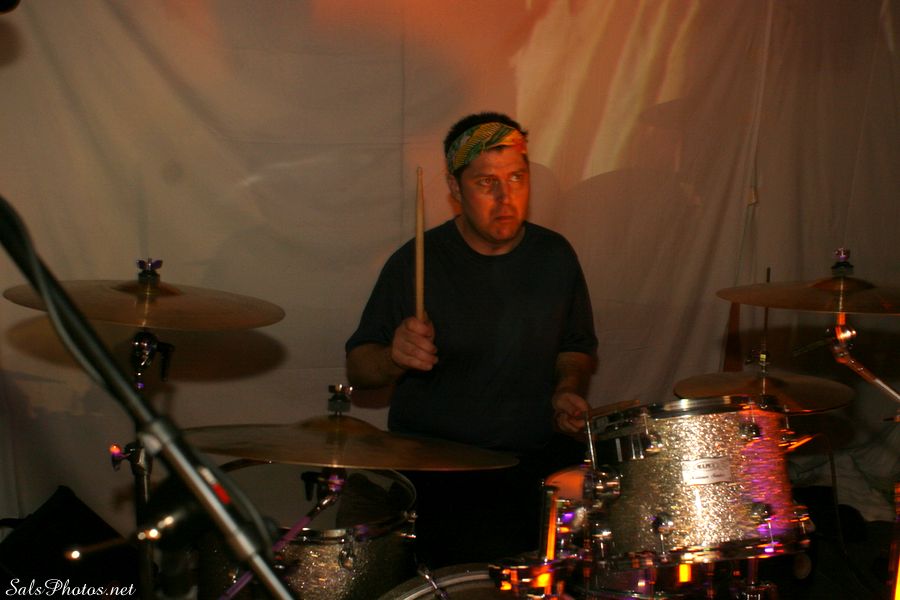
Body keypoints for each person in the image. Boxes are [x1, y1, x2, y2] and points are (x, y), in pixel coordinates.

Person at [345, 111, 598, 569]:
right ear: (455, 189)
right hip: (440, 471)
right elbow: (359, 368)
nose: (505, 197)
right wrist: (393, 357)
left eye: (516, 178)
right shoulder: (416, 261)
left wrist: (567, 388)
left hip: (532, 462)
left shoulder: (555, 255)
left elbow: (575, 346)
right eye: (486, 183)